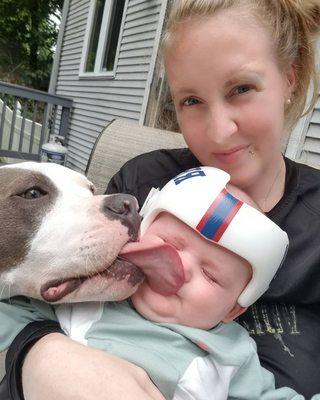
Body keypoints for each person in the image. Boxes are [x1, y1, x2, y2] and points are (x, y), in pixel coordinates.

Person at [0, 0, 320, 399]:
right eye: (191, 101)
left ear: (290, 79)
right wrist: (39, 353)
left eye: (241, 89)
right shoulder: (142, 182)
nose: (219, 131)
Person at [2, 166, 308, 400]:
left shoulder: (231, 355)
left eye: (211, 275)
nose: (180, 267)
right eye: (168, 243)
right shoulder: (93, 297)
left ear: (233, 311)